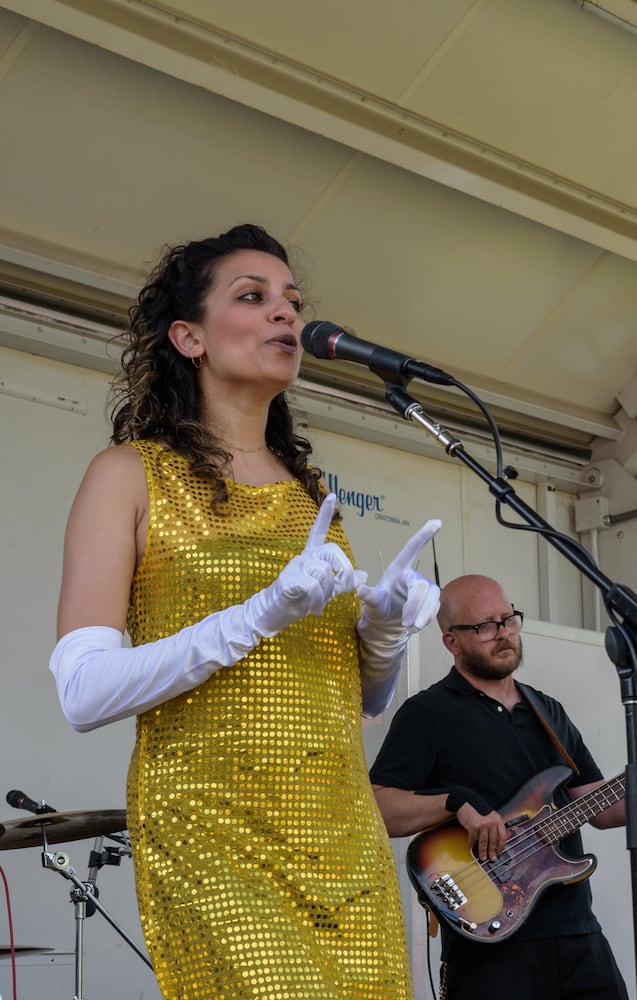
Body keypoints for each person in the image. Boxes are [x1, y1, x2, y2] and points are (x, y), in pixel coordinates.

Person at [49, 224, 440, 998]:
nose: (285, 317)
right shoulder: (129, 476)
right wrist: (256, 615)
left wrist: (386, 629)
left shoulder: (312, 498)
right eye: (253, 298)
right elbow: (82, 691)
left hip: (343, 840)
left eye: (292, 303)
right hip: (214, 839)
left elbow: (357, 699)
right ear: (188, 336)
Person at [368, 573, 637, 1000]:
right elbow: (379, 808)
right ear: (451, 642)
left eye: (508, 619)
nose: (503, 634)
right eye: (484, 626)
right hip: (489, 943)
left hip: (576, 933)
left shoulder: (547, 710)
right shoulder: (427, 713)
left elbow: (602, 808)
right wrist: (455, 803)